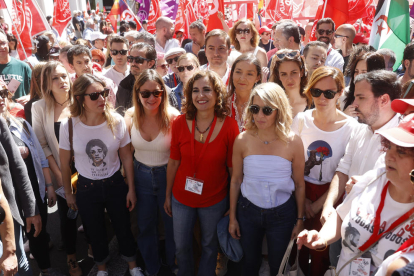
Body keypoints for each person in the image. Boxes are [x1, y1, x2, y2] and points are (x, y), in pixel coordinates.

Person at [298, 113, 414, 276]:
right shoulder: (372, 179)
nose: (389, 155)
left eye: (401, 151)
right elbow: (341, 215)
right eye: (389, 146)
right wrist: (321, 238)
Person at [59, 74, 144, 276]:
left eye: (104, 93)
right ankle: (102, 269)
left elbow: (127, 158)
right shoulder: (68, 126)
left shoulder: (117, 121)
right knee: (94, 230)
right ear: (79, 98)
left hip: (115, 183)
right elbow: (64, 163)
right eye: (95, 95)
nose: (102, 99)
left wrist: (131, 189)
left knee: (123, 227)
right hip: (87, 187)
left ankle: (133, 266)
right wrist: (69, 193)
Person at [321, 70, 401, 267]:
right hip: (342, 222)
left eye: (360, 97)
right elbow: (343, 169)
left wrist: (366, 186)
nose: (353, 104)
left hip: (379, 240)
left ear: (383, 99)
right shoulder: (359, 129)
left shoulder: (404, 141)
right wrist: (329, 205)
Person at [164, 70, 239, 276]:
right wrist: (168, 195)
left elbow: (234, 172)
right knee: (182, 246)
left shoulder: (230, 126)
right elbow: (173, 162)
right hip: (181, 197)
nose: (201, 95)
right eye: (195, 91)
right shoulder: (179, 123)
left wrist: (233, 207)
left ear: (217, 94)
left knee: (209, 247)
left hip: (215, 200)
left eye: (207, 90)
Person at [228, 82, 305, 275]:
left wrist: (299, 219)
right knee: (249, 264)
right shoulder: (242, 140)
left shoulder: (293, 141)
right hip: (247, 212)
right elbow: (236, 181)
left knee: (278, 266)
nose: (259, 115)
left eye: (267, 110)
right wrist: (232, 218)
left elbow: (299, 184)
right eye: (255, 108)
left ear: (278, 110)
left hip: (283, 214)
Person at [290, 66, 360, 276]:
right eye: (316, 91)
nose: (322, 98)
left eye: (329, 93)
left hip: (332, 194)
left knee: (323, 251)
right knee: (298, 247)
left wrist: (320, 204)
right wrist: (303, 201)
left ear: (339, 93)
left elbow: (344, 169)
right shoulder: (302, 119)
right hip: (299, 191)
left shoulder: (351, 127)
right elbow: (291, 161)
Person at [0, 78, 62, 276]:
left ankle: (46, 269)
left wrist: (49, 185)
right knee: (15, 248)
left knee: (38, 233)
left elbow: (40, 156)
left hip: (31, 190)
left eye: (4, 94)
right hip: (9, 198)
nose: (2, 99)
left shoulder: (22, 125)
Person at [125, 69, 180, 276]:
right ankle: (152, 267)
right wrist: (130, 188)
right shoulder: (130, 116)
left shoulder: (174, 118)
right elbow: (127, 156)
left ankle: (174, 265)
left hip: (168, 175)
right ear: (138, 94)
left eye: (156, 93)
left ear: (163, 94)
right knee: (145, 225)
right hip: (140, 176)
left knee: (172, 224)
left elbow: (179, 156)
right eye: (145, 93)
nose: (151, 98)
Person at [32, 61, 82, 276]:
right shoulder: (39, 107)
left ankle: (93, 247)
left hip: (88, 169)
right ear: (46, 83)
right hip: (61, 171)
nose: (62, 81)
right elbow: (41, 143)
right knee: (67, 216)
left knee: (90, 213)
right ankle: (71, 257)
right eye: (55, 78)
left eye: (64, 75)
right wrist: (60, 175)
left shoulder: (81, 99)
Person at [116, 43, 159, 115]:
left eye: (138, 60)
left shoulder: (160, 88)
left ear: (150, 64)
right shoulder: (124, 86)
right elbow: (120, 116)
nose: (133, 63)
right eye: (131, 59)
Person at [270, 49, 311, 118]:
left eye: (293, 73)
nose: (289, 79)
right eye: (284, 74)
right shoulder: (272, 104)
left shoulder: (314, 102)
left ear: (301, 72)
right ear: (278, 76)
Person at [228, 54, 262, 132]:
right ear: (232, 73)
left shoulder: (263, 106)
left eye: (249, 74)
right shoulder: (222, 103)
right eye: (238, 72)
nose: (242, 78)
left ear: (258, 77)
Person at [0, 32, 32, 105]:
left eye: (3, 43)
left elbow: (38, 91)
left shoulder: (23, 67)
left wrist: (30, 97)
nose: (1, 47)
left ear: (8, 43)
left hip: (19, 114)